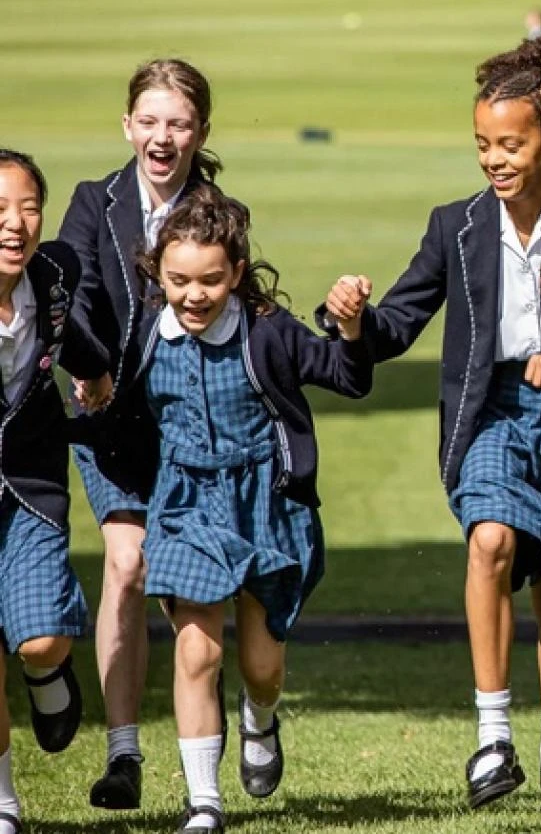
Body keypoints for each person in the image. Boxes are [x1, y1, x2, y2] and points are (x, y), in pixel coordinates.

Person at [329, 36, 541, 818]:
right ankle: (493, 735)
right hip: (491, 414)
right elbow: (399, 322)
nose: (494, 159)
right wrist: (353, 322)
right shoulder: (456, 226)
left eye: (511, 143)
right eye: (482, 144)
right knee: (491, 539)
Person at [131, 188, 372, 833]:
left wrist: (348, 327)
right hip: (185, 503)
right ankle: (204, 803)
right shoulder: (147, 337)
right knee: (197, 654)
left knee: (260, 668)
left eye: (211, 280)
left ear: (237, 273)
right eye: (178, 280)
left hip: (267, 504)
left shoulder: (268, 331)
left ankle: (260, 716)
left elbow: (349, 377)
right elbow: (119, 418)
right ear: (157, 272)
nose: (194, 295)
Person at [57, 57, 222, 810]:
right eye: (149, 121)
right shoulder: (96, 202)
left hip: (195, 427)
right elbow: (74, 298)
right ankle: (124, 752)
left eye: (178, 123)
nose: (163, 137)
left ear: (201, 132)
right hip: (109, 421)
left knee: (194, 595)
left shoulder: (220, 212)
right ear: (127, 125)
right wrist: (89, 369)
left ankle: (253, 709)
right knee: (126, 563)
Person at [0, 151, 93, 833]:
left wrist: (97, 372)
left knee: (40, 640)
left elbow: (68, 337)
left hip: (31, 480)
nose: (15, 223)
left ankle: (46, 672)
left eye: (28, 206)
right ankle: (3, 806)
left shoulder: (56, 271)